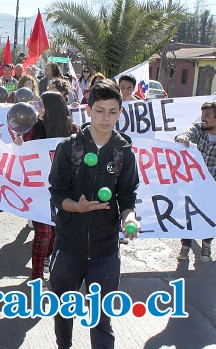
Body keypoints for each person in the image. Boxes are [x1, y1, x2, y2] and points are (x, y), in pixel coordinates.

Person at [48, 79, 140, 349]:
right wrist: (78, 207)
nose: (106, 117)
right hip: (68, 247)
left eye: (112, 111)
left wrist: (129, 219)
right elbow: (57, 194)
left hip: (105, 251)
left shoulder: (124, 152)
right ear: (88, 110)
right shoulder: (69, 147)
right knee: (64, 312)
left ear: (120, 113)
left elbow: (127, 196)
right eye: (100, 110)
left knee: (102, 318)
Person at [19, 91, 79, 281]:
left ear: (53, 108)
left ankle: (47, 258)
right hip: (39, 191)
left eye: (42, 104)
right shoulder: (33, 128)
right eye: (38, 103)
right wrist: (17, 143)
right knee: (43, 233)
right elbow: (21, 150)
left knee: (56, 232)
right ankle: (37, 276)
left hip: (63, 191)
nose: (38, 107)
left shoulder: (72, 130)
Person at [175, 102, 216, 260]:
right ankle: (186, 245)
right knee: (188, 215)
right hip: (192, 184)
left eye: (207, 116)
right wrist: (182, 138)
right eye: (202, 115)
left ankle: (207, 243)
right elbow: (185, 134)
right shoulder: (198, 129)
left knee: (209, 216)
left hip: (214, 184)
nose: (203, 118)